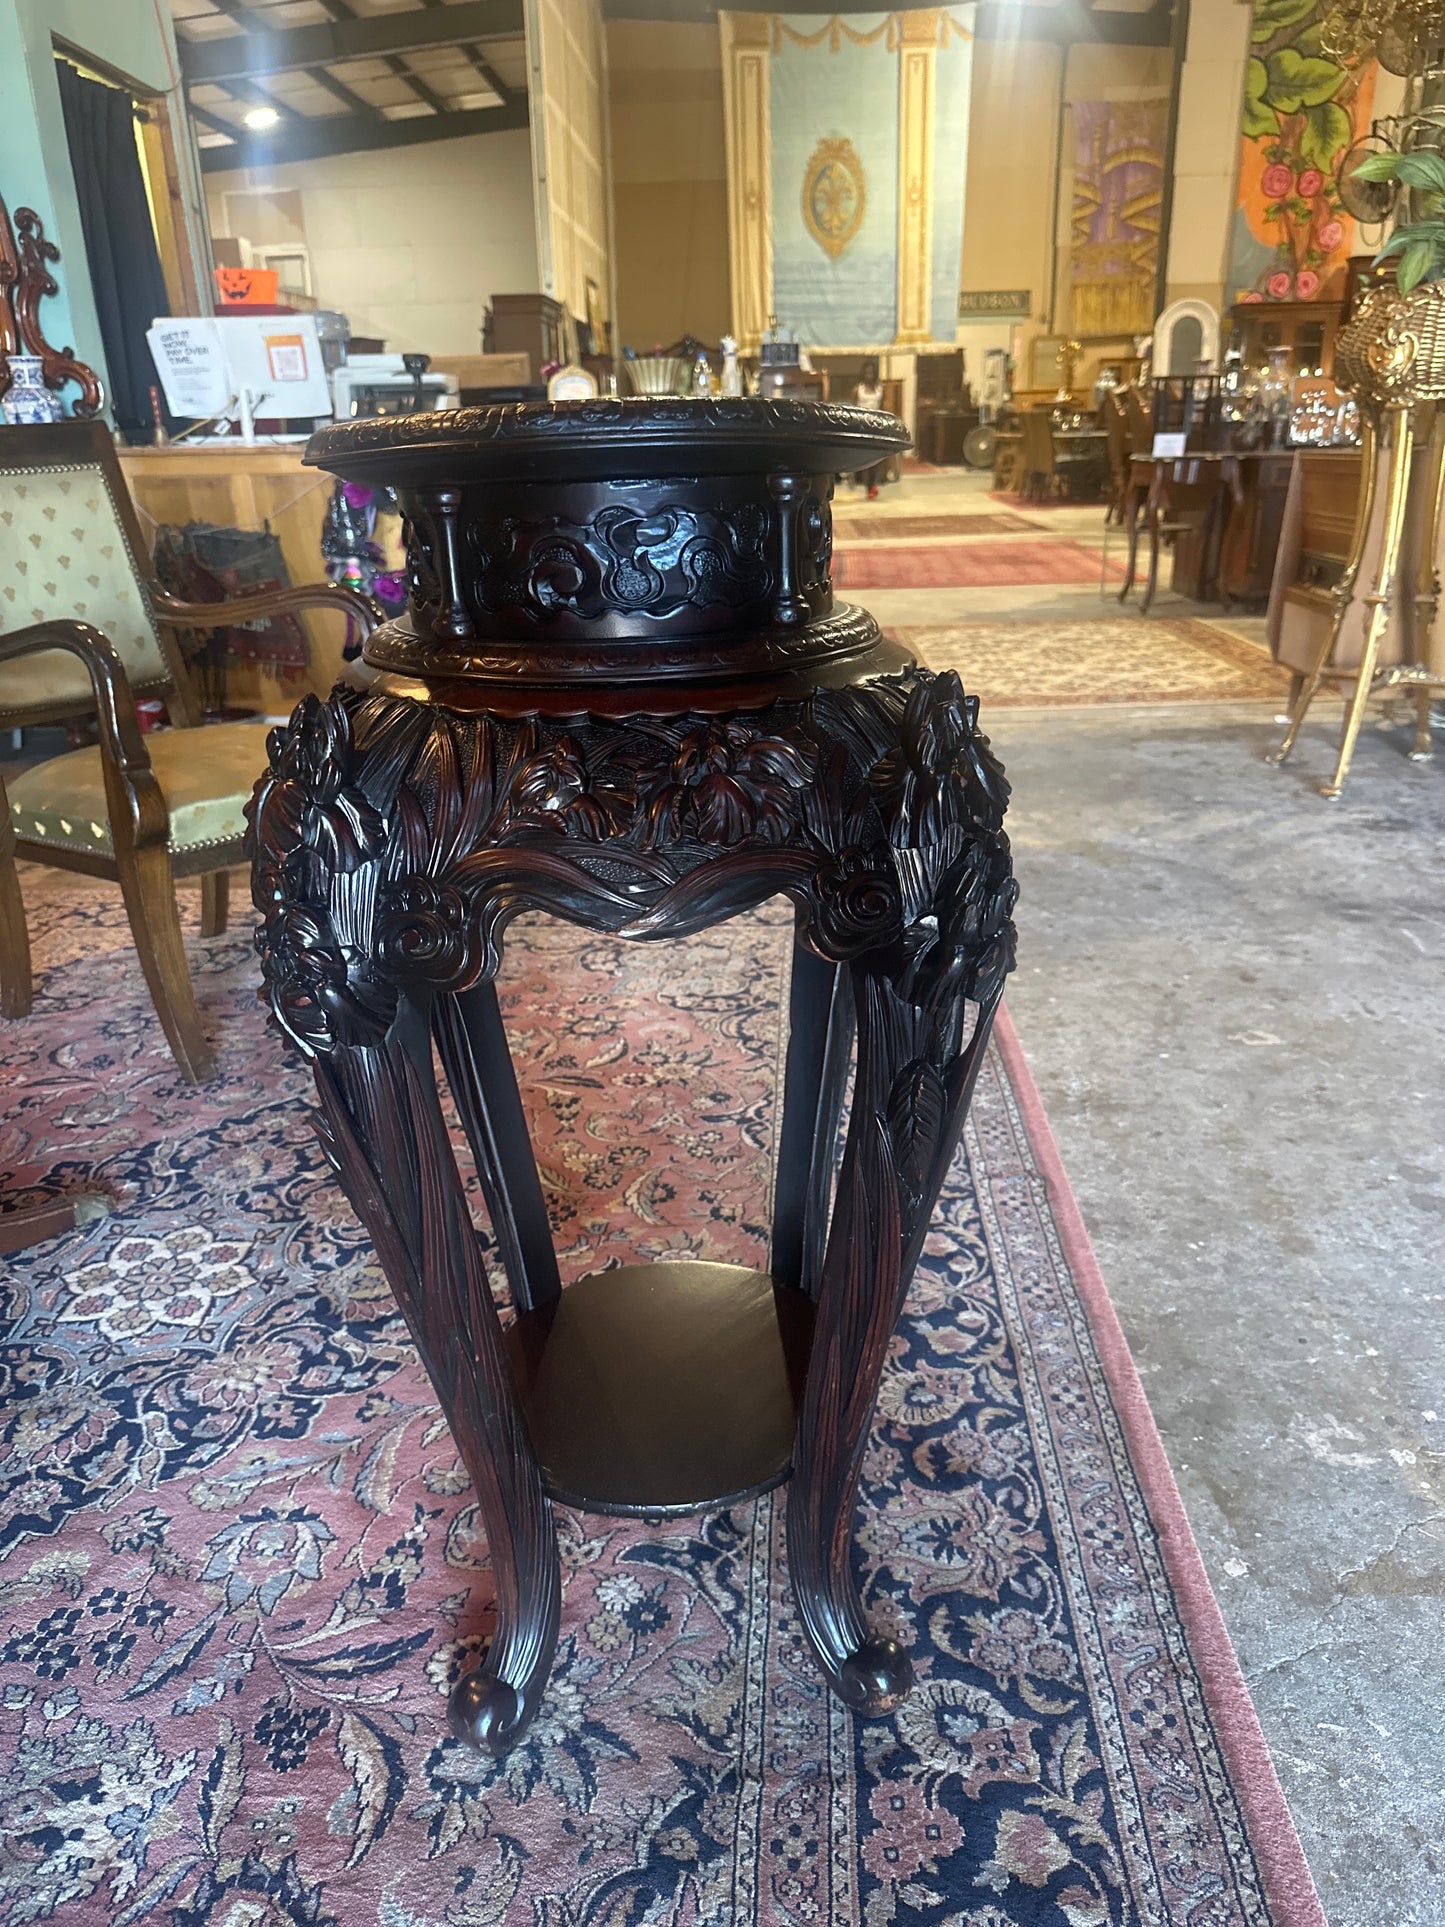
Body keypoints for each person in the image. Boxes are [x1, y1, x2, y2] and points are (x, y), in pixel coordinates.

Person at [852, 357, 887, 498]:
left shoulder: (880, 389)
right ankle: (867, 485)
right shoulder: (858, 389)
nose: (869, 375)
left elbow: (882, 407)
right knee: (865, 458)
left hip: (876, 425)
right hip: (862, 426)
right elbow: (854, 407)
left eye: (871, 372)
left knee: (875, 457)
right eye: (867, 372)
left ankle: (873, 483)